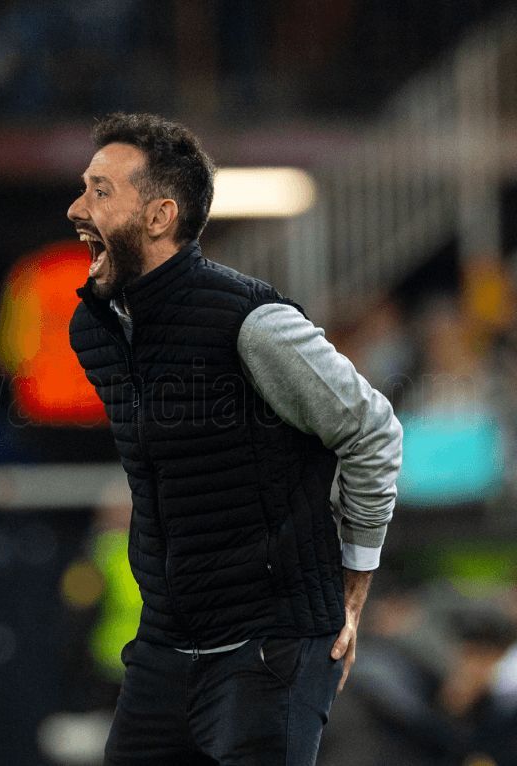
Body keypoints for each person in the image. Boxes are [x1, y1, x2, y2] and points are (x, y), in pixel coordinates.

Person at [67, 113, 403, 765]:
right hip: (165, 646)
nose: (77, 207)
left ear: (160, 216)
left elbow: (372, 431)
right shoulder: (97, 330)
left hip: (270, 647)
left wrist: (355, 581)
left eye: (101, 191)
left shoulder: (256, 325)